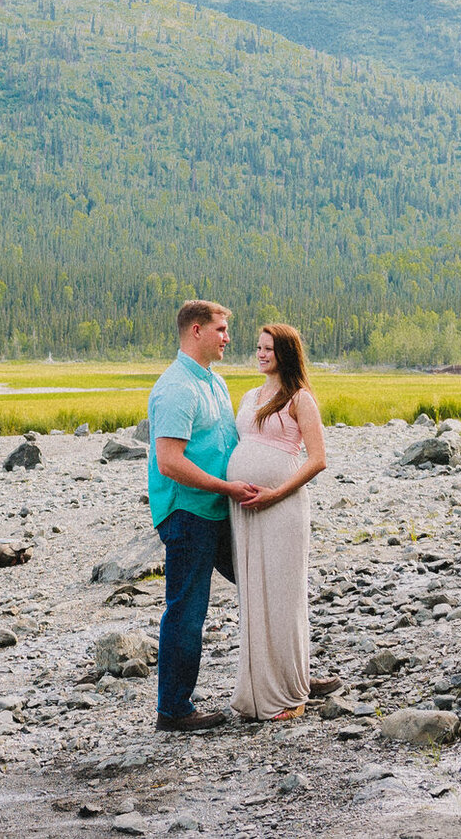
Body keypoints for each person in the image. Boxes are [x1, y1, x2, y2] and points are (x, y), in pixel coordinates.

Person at [146, 297, 260, 732]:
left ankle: (288, 678)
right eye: (222, 329)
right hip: (189, 514)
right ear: (197, 331)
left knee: (263, 585)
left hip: (218, 509)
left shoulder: (213, 381)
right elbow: (169, 461)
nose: (228, 338)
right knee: (187, 610)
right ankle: (173, 710)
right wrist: (226, 486)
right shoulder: (177, 387)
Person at [227, 322, 342, 719]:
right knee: (253, 596)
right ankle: (256, 691)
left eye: (268, 349)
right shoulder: (248, 397)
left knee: (283, 596)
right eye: (258, 347)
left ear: (285, 354)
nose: (260, 354)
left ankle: (291, 694)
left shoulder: (300, 399)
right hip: (244, 509)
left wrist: (275, 492)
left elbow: (317, 459)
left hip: (283, 507)